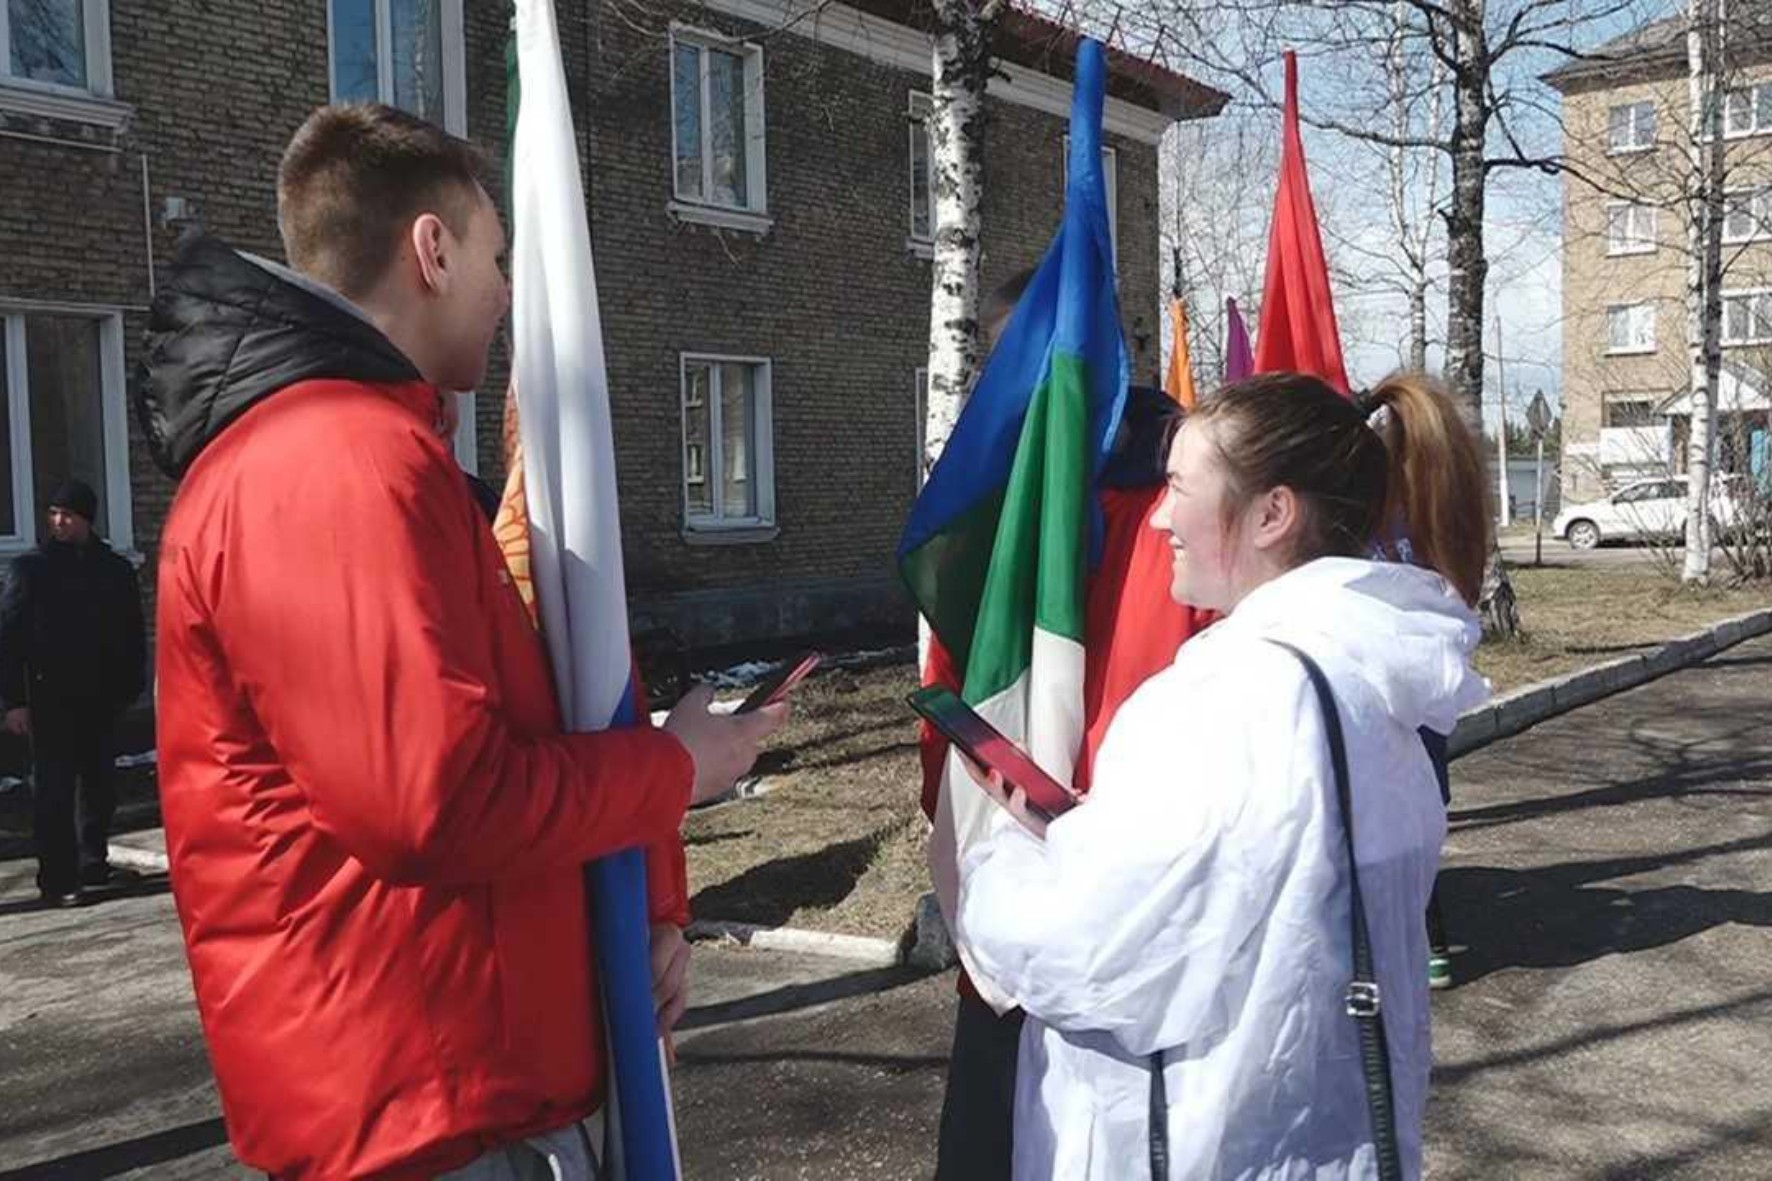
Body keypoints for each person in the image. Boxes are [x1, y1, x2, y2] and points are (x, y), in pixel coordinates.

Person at [137, 104, 782, 1181]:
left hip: (450, 1084)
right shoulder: (334, 463)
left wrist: (641, 911)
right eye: (495, 257)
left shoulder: (365, 451)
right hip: (425, 1112)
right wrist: (673, 769)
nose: (508, 295)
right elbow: (437, 803)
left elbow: (501, 730)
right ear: (429, 251)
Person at [956, 372, 1492, 1179]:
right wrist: (1085, 832)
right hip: (1317, 1136)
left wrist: (995, 858)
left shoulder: (1228, 697)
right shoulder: (1372, 677)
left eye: (1179, 487)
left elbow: (1090, 953)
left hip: (1197, 1146)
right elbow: (1235, 890)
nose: (1161, 516)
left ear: (1273, 513)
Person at [926, 270, 1212, 1179]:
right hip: (1010, 891)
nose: (1007, 392)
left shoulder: (1181, 511)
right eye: (995, 368)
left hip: (1131, 905)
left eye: (1029, 366)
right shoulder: (997, 503)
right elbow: (957, 683)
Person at [0, 479, 146, 907]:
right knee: (54, 791)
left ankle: (91, 861)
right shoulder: (33, 570)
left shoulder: (113, 570)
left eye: (68, 515)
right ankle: (59, 879)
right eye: (53, 514)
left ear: (86, 519)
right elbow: (8, 639)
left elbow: (131, 633)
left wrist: (130, 685)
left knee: (99, 785)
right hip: (49, 698)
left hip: (101, 696)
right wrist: (12, 702)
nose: (59, 522)